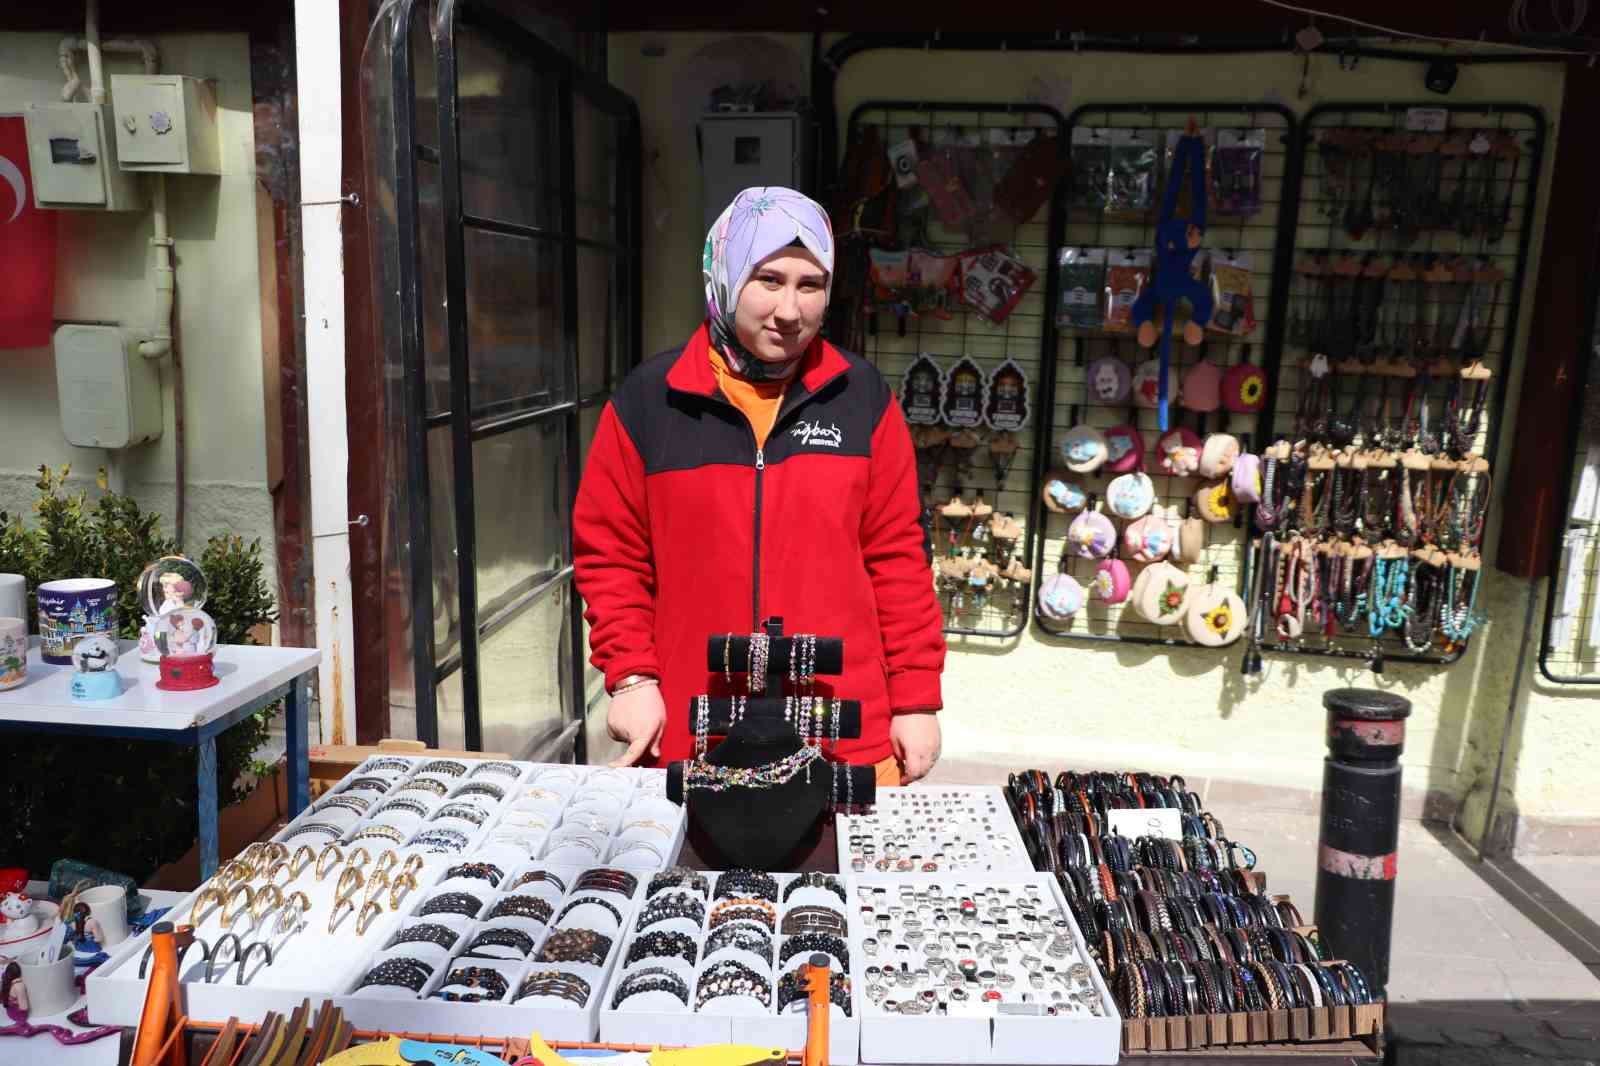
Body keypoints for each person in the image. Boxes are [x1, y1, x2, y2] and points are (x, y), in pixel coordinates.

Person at [573, 186, 945, 786]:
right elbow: (611, 555)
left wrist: (916, 698)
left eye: (810, 284)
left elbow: (898, 558)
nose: (790, 310)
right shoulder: (651, 399)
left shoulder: (863, 398)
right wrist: (633, 679)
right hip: (695, 723)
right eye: (768, 280)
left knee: (838, 879)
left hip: (838, 723)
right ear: (723, 274)